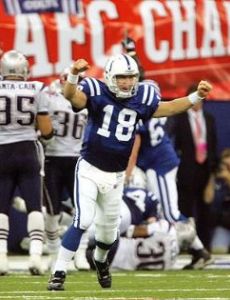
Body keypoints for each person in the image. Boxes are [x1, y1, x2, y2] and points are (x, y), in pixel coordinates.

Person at [47, 53, 212, 291]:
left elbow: (169, 107)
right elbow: (72, 95)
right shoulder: (96, 91)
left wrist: (196, 96)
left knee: (106, 235)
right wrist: (73, 75)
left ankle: (101, 262)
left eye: (130, 77)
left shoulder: (142, 97)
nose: (126, 82)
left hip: (115, 175)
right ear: (110, 77)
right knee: (82, 220)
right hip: (90, 168)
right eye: (121, 77)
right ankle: (58, 273)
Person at [0, 50, 53, 275]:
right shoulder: (37, 88)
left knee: (1, 206)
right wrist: (46, 137)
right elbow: (46, 130)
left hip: (2, 150)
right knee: (34, 205)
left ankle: (1, 258)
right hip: (27, 150)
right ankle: (35, 256)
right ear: (23, 70)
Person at [42, 70, 89, 270]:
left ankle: (80, 253)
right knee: (52, 212)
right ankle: (54, 253)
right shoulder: (50, 98)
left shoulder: (89, 102)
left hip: (78, 160)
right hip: (52, 159)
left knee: (83, 210)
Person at [167, 84, 218, 250]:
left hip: (205, 171)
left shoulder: (209, 118)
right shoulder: (179, 119)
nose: (198, 103)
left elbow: (213, 147)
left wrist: (212, 177)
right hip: (186, 172)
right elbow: (172, 144)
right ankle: (186, 246)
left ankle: (205, 247)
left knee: (205, 212)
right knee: (185, 210)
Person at [204, 148, 230, 254]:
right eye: (224, 165)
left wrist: (228, 178)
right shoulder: (218, 181)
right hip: (224, 224)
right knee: (218, 250)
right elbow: (207, 199)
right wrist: (212, 176)